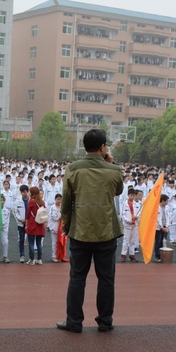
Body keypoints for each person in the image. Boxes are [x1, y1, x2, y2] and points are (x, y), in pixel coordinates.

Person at [57, 129, 123, 334]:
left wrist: (67, 226)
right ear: (103, 147)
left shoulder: (73, 169)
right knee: (106, 279)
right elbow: (118, 190)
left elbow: (66, 202)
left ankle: (74, 321)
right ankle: (105, 321)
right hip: (106, 232)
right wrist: (110, 163)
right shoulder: (114, 170)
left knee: (77, 278)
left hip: (80, 230)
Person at [25, 186, 46, 265]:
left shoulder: (31, 201)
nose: (29, 193)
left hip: (32, 222)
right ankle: (39, 259)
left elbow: (28, 213)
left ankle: (32, 259)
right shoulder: (42, 202)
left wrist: (26, 223)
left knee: (31, 242)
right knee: (39, 243)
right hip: (40, 223)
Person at [154, 194, 169, 263]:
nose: (167, 202)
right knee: (158, 242)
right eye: (166, 201)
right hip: (158, 228)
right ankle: (157, 256)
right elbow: (157, 219)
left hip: (165, 226)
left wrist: (167, 226)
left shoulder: (167, 207)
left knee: (163, 242)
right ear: (162, 201)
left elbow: (168, 217)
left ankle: (162, 256)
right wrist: (162, 227)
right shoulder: (157, 207)